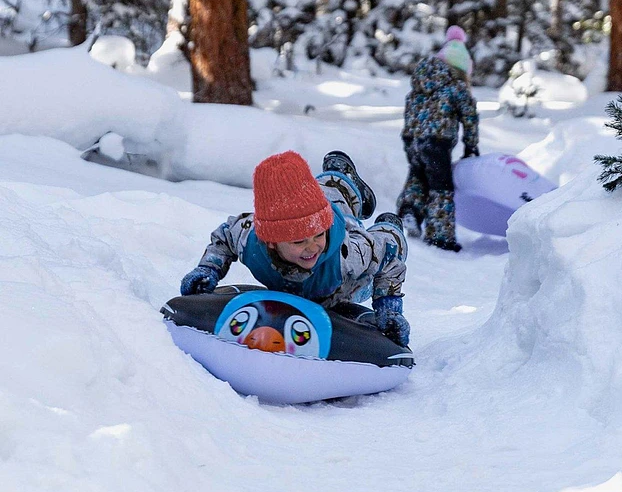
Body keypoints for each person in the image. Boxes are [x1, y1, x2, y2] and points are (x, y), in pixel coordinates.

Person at [179, 150, 410, 346]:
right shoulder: (250, 240)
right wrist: (209, 269)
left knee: (389, 241)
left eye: (317, 237)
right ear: (271, 241)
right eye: (298, 242)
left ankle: (385, 220)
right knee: (320, 199)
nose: (312, 248)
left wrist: (388, 309)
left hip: (347, 275)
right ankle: (339, 180)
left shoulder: (349, 256)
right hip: (317, 217)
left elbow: (389, 259)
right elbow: (225, 234)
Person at [396, 25, 479, 252]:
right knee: (440, 186)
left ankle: (410, 211)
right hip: (437, 142)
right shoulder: (457, 86)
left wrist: (411, 135)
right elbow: (470, 116)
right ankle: (440, 236)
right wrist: (471, 146)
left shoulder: (422, 80)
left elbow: (410, 107)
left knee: (418, 175)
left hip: (412, 138)